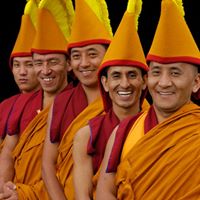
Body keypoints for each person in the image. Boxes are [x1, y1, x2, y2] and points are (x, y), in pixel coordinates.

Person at [96, 0, 200, 199]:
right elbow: (104, 189)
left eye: (175, 73)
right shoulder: (124, 130)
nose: (163, 82)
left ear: (196, 82)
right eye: (156, 72)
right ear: (147, 79)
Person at [72, 0, 149, 198]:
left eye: (132, 75)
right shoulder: (86, 135)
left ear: (145, 82)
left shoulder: (158, 128)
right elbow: (82, 197)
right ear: (105, 84)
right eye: (116, 76)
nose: (124, 84)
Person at [0, 0, 74, 199]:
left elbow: (70, 170)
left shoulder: (78, 103)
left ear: (68, 65)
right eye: (38, 63)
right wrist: (5, 189)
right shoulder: (21, 103)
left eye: (53, 62)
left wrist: (25, 194)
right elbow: (8, 152)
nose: (45, 70)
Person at [41, 0, 113, 199]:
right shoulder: (62, 102)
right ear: (70, 63)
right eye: (76, 56)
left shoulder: (128, 100)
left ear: (108, 56)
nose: (84, 63)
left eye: (92, 55)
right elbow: (47, 165)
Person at [0, 0, 40, 145]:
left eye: (29, 64)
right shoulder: (5, 106)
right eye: (17, 65)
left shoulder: (54, 102)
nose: (22, 72)